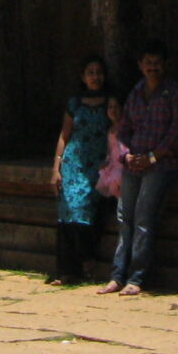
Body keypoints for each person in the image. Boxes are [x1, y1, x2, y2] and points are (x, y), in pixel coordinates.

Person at [101, 43, 178, 296]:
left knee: (143, 218)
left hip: (162, 164)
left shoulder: (175, 93)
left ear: (165, 64)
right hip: (134, 162)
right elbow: (125, 127)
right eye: (148, 62)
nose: (152, 67)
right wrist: (127, 154)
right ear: (140, 65)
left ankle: (136, 277)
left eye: (156, 62)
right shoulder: (136, 92)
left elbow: (177, 133)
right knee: (124, 217)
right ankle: (117, 274)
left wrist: (152, 157)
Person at [50, 55, 119, 283]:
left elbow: (118, 129)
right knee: (67, 210)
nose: (95, 77)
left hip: (98, 163)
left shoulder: (110, 101)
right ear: (83, 77)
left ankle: (86, 259)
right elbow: (64, 135)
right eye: (90, 73)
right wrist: (56, 167)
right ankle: (66, 269)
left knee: (86, 207)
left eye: (98, 72)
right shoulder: (75, 103)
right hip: (73, 163)